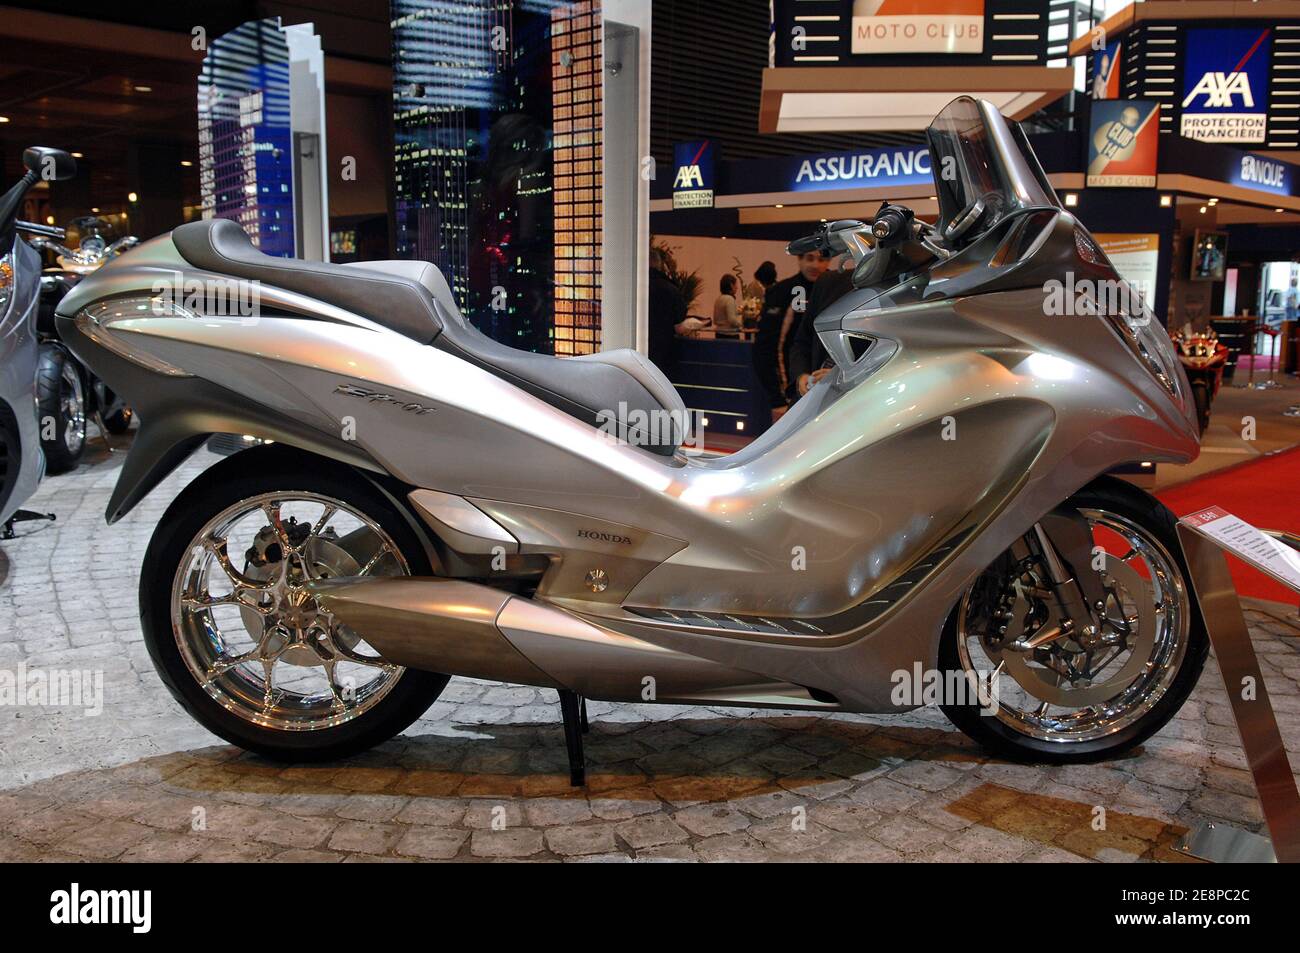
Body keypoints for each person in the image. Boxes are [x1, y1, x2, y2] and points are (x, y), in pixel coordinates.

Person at [753, 250, 828, 421]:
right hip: (792, 389)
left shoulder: (838, 288)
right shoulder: (783, 291)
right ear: (799, 259)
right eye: (809, 258)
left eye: (822, 259)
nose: (815, 265)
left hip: (827, 388)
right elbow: (766, 348)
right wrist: (778, 398)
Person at [787, 264, 855, 402]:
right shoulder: (829, 282)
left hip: (856, 404)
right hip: (811, 399)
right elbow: (802, 342)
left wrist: (844, 378)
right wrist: (801, 376)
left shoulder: (900, 288)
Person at [648, 247, 688, 376]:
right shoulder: (671, 289)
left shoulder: (633, 286)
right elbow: (679, 324)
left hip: (635, 352)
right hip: (664, 351)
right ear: (659, 264)